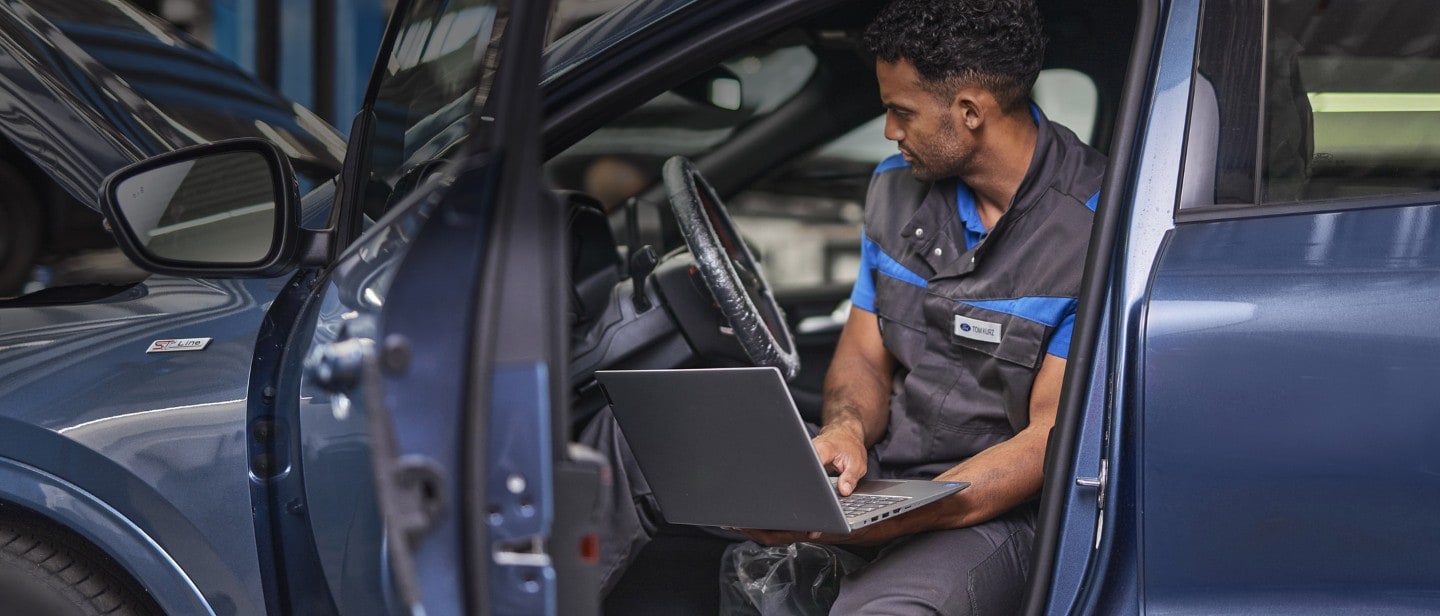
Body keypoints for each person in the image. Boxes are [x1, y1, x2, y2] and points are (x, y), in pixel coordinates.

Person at [585, 0, 1104, 612]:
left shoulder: (1092, 232)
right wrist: (846, 428)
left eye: (900, 111)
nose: (889, 131)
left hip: (991, 511)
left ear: (969, 112)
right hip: (885, 473)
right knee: (636, 440)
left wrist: (900, 518)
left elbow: (1049, 438)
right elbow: (863, 351)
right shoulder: (894, 188)